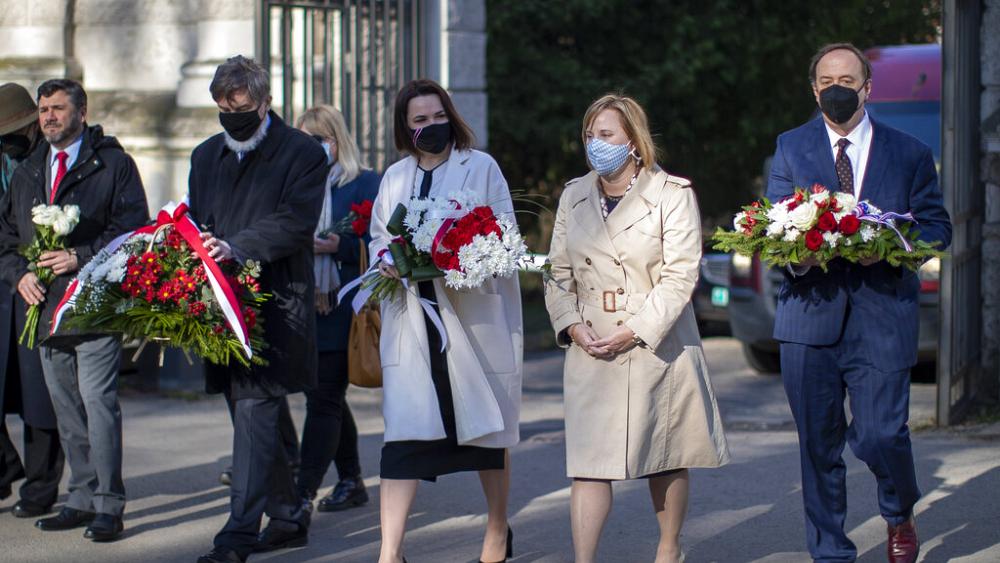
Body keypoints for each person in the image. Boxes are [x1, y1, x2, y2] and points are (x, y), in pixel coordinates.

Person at [766, 43, 952, 563]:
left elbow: (938, 227)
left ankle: (899, 510)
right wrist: (797, 258)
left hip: (882, 314)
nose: (836, 89)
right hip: (808, 317)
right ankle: (830, 552)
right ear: (814, 89)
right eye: (826, 82)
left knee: (879, 435)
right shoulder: (790, 146)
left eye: (847, 80)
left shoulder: (909, 152)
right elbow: (771, 228)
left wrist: (891, 249)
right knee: (819, 447)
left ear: (868, 87)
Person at [544, 93, 730, 563]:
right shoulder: (574, 194)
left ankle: (669, 549)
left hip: (655, 342)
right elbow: (557, 272)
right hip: (591, 342)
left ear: (632, 140)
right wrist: (571, 325)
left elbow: (681, 273)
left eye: (605, 135)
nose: (594, 144)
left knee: (663, 456)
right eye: (589, 135)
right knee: (588, 464)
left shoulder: (671, 194)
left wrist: (637, 328)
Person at [370, 78, 522, 563]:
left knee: (485, 434)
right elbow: (378, 237)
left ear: (450, 116)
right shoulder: (394, 177)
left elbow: (505, 235)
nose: (431, 126)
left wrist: (462, 254)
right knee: (403, 438)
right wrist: (387, 258)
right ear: (405, 127)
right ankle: (389, 553)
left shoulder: (481, 168)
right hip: (413, 321)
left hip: (469, 316)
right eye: (420, 120)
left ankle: (497, 530)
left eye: (438, 117)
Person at [187, 56, 327, 563]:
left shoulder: (302, 152)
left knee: (252, 413)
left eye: (241, 109)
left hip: (275, 304)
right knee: (251, 417)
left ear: (265, 103)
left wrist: (235, 246)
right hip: (221, 307)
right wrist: (195, 240)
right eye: (222, 108)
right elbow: (196, 216)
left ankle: (237, 537)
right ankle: (288, 515)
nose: (231, 117)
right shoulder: (205, 156)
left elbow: (295, 222)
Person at [0, 78, 149, 542]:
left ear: (81, 112)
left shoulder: (112, 164)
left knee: (98, 404)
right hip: (43, 309)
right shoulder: (29, 170)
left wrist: (80, 257)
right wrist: (19, 274)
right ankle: (80, 498)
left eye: (58, 109)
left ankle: (109, 504)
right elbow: (6, 238)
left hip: (94, 305)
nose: (48, 117)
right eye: (43, 109)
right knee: (65, 408)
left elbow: (135, 233)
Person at [293, 104, 378, 512]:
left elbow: (382, 244)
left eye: (318, 139)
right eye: (303, 139)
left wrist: (341, 246)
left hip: (345, 309)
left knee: (323, 398)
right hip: (305, 305)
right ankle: (350, 479)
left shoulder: (363, 184)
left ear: (336, 140)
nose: (310, 148)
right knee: (325, 397)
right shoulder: (296, 185)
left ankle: (301, 490)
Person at [0, 82, 65, 520]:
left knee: (38, 397)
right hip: (5, 278)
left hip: (37, 292)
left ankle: (41, 488)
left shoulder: (49, 160)